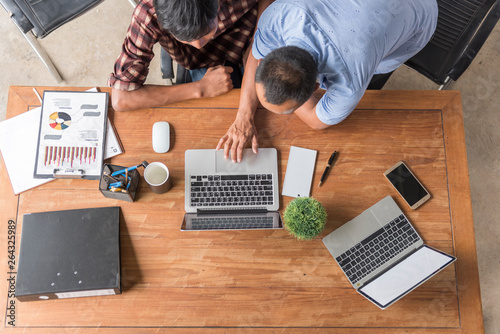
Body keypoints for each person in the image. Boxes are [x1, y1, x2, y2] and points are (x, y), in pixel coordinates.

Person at [216, 0, 438, 162]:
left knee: (381, 60)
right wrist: (243, 116)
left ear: (316, 88)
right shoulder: (280, 14)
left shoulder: (349, 82)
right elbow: (255, 58)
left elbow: (315, 120)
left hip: (419, 10)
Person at [109, 0, 273, 112]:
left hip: (254, 36)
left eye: (207, 33)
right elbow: (121, 99)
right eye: (187, 40)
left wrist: (257, 39)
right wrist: (200, 89)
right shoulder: (147, 13)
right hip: (202, 64)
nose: (198, 45)